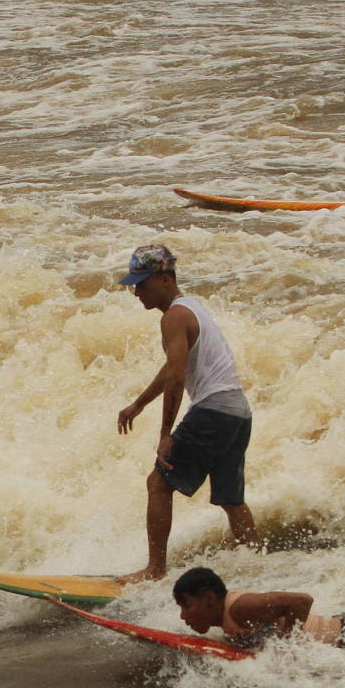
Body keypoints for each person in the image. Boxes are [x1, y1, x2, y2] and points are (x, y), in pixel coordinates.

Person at [113, 244, 259, 582]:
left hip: (212, 410)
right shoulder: (191, 308)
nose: (136, 293)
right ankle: (256, 561)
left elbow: (178, 376)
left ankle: (154, 571)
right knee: (231, 499)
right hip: (237, 412)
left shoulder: (174, 316)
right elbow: (173, 368)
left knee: (158, 483)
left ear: (165, 279)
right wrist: (139, 403)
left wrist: (165, 435)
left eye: (142, 283)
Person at [171, 567, 345, 648]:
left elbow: (302, 600)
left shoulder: (240, 607)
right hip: (340, 633)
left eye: (187, 606)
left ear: (209, 598)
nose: (182, 616)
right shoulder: (226, 617)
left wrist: (290, 647)